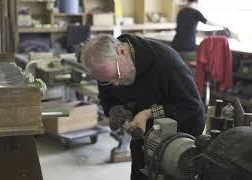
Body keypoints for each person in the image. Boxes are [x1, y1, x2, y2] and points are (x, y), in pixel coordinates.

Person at [80, 33, 205, 180]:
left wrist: (148, 113)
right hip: (145, 132)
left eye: (116, 76)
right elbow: (107, 98)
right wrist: (114, 110)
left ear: (122, 51)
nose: (115, 84)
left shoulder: (166, 62)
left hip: (183, 131)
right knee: (141, 173)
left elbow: (190, 104)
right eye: (107, 81)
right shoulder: (107, 71)